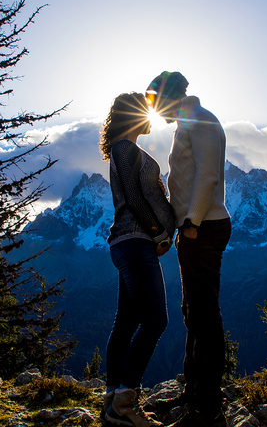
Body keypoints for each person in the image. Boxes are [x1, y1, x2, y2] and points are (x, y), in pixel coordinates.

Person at [146, 72, 231, 427]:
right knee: (193, 311)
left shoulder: (203, 122)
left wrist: (193, 222)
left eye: (154, 100)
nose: (153, 108)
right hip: (194, 228)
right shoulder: (188, 124)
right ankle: (193, 393)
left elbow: (208, 175)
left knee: (204, 315)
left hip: (205, 226)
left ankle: (208, 410)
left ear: (169, 96)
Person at [99, 92, 176, 427]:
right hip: (136, 242)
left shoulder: (125, 147)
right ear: (134, 115)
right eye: (146, 112)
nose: (151, 117)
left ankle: (112, 398)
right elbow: (133, 197)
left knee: (126, 324)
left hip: (129, 242)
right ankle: (125, 403)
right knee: (155, 321)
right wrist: (159, 231)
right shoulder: (124, 148)